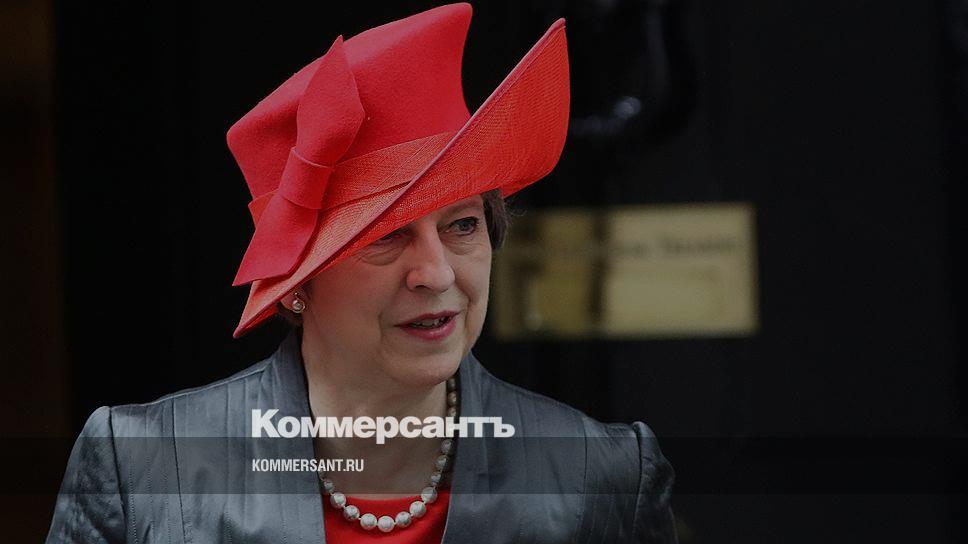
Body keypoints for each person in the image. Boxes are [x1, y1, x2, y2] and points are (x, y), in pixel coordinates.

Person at [47, 3, 677, 543]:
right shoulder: (144, 468)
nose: (435, 274)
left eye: (462, 225)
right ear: (298, 282)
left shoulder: (604, 477)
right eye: (386, 236)